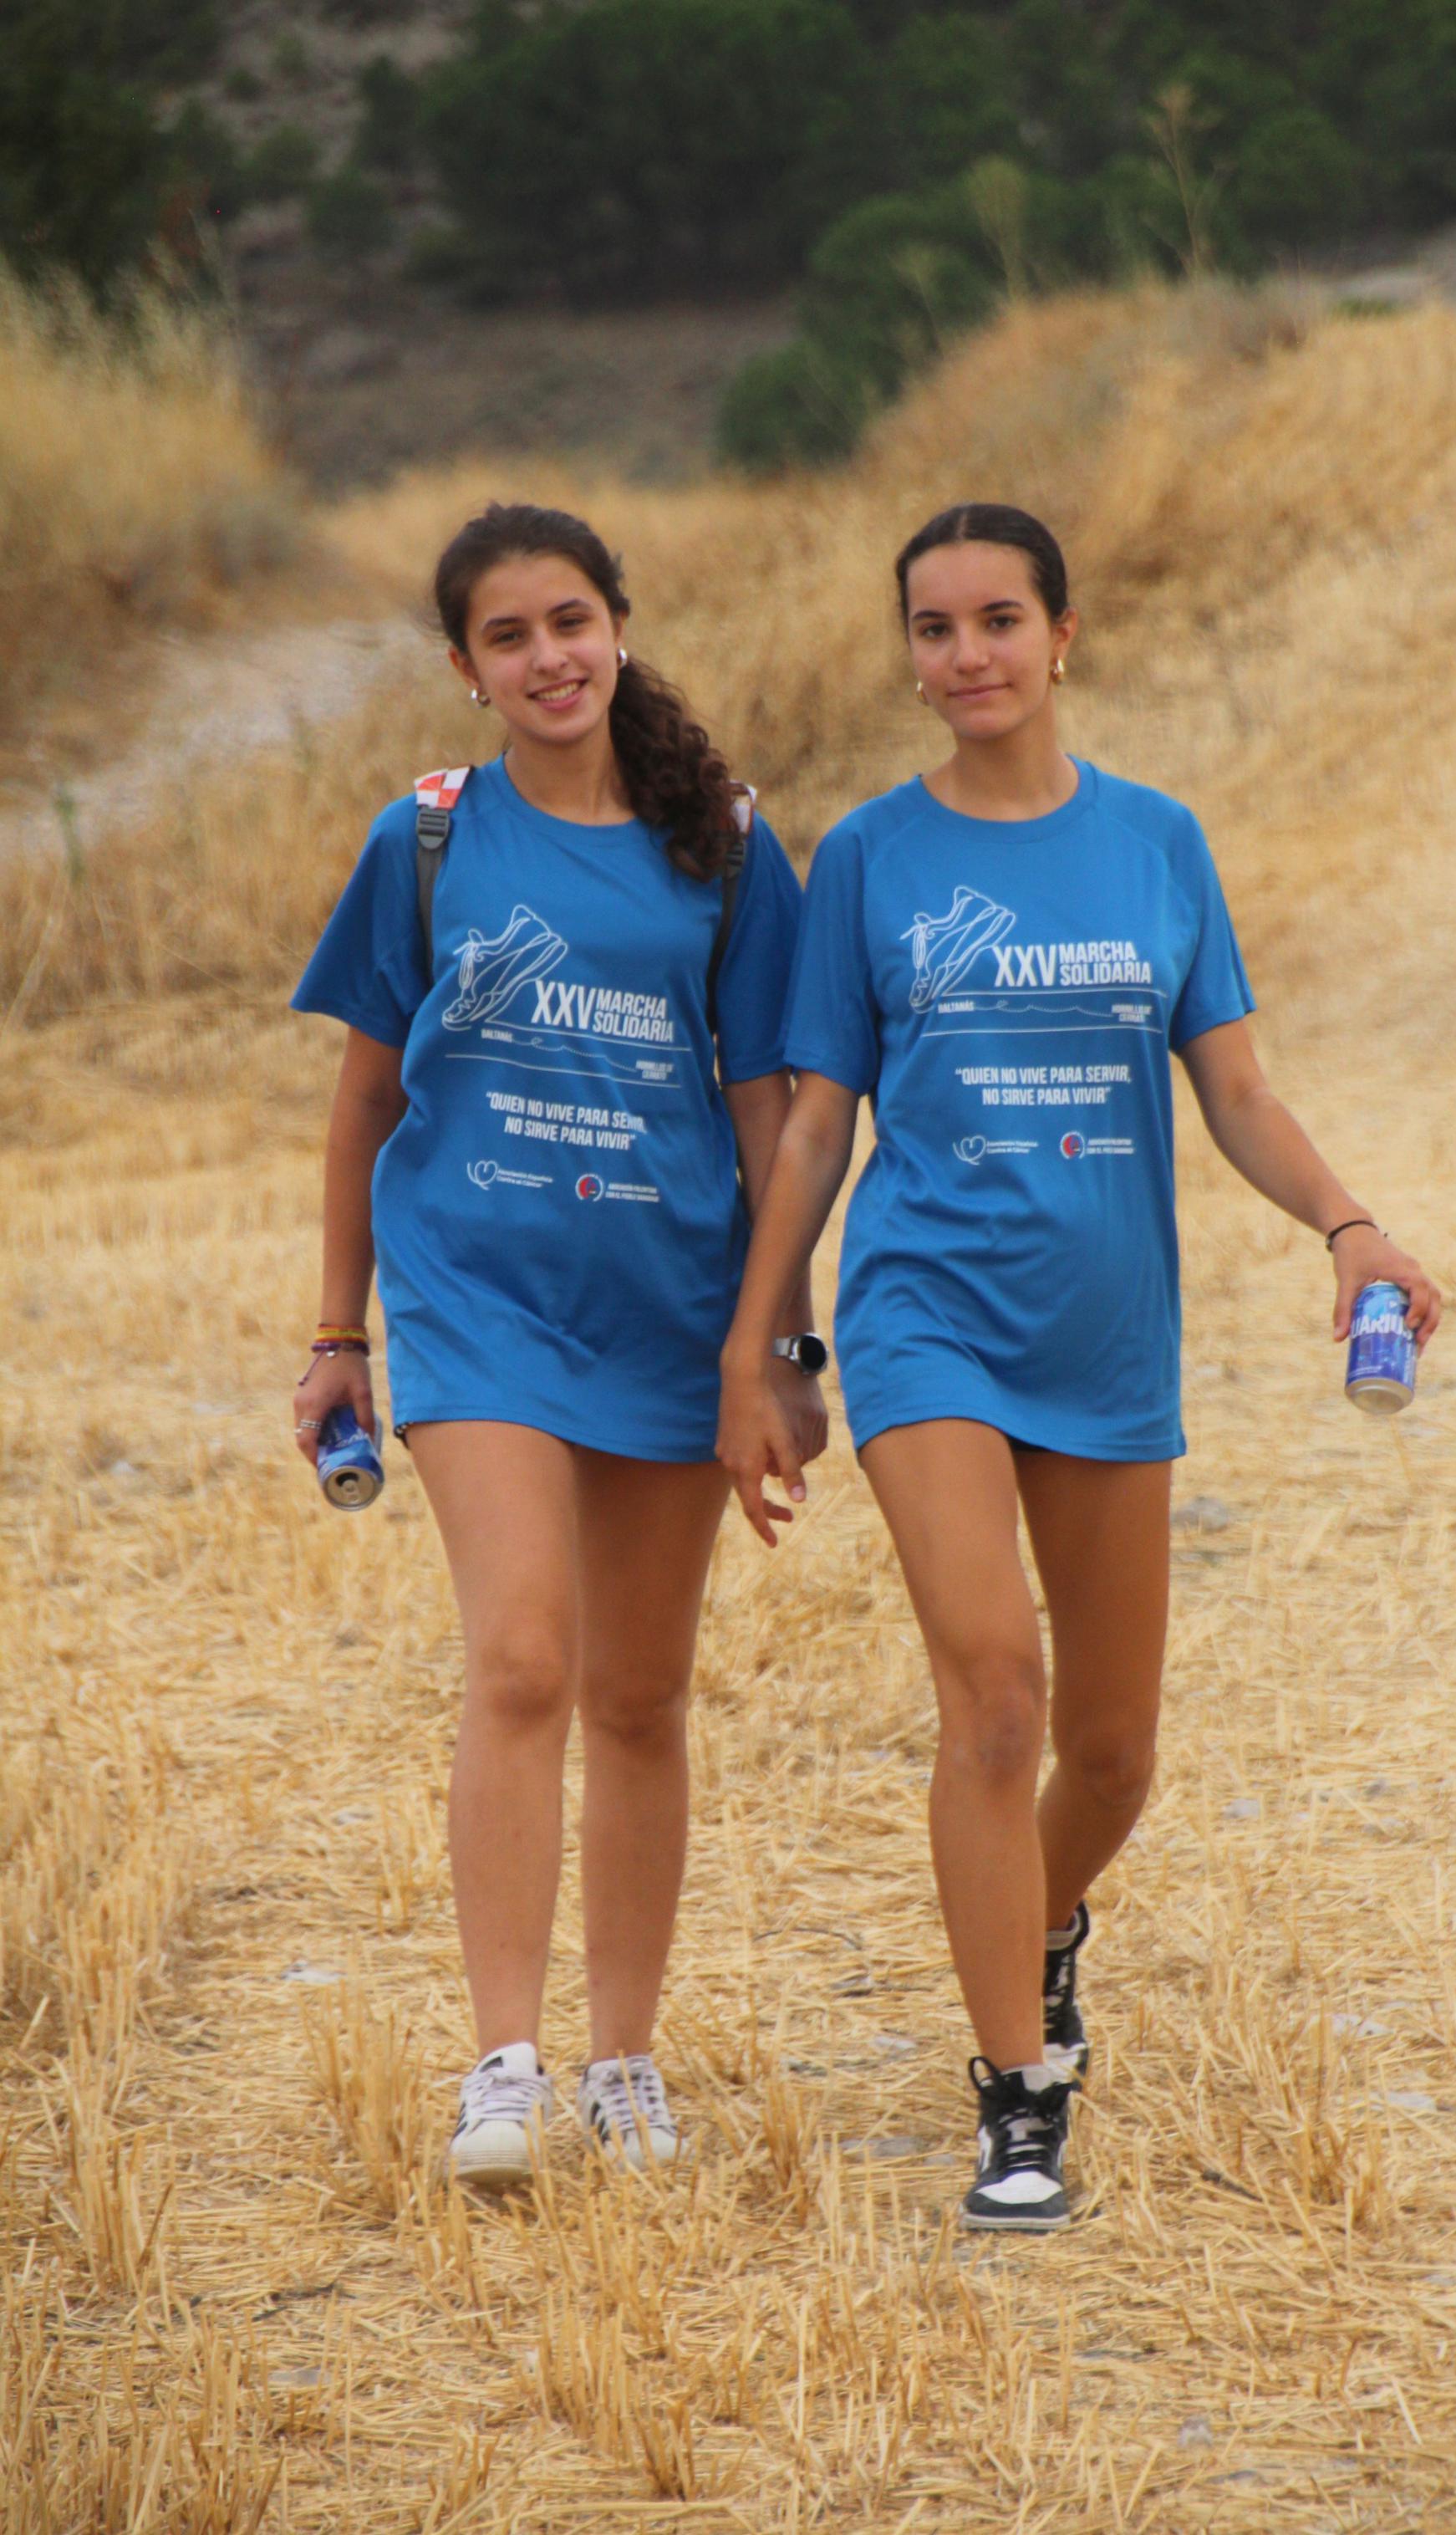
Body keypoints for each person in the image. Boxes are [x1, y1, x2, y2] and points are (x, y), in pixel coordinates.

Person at [716, 502, 1440, 2233]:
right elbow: (817, 1126)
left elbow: (1240, 1092)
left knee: (1112, 1756)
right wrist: (771, 1343)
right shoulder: (873, 858)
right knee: (997, 1690)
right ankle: (1016, 2092)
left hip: (1110, 1333)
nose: (964, 654)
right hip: (926, 1318)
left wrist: (1352, 1226)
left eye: (996, 620)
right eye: (933, 628)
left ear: (1064, 635)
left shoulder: (1157, 843)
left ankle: (1035, 1923)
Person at [290, 502, 824, 2189]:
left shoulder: (724, 839)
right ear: (464, 669)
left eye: (571, 620)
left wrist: (779, 1347)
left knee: (643, 1693)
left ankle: (622, 2066)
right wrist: (336, 1329)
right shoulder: (429, 837)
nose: (548, 658)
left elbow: (771, 1111)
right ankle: (502, 2069)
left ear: (618, 623)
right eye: (508, 636)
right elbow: (367, 1095)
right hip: (479, 1299)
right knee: (523, 1659)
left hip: (671, 1313)